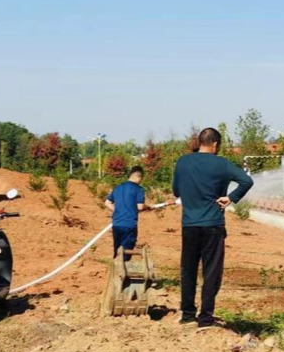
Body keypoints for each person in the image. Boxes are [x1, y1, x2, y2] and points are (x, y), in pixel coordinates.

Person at [172, 127, 253, 330]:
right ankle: (205, 319)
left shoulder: (183, 162)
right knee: (211, 272)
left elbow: (176, 190)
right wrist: (231, 198)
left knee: (188, 270)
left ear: (200, 142)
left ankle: (188, 315)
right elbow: (246, 181)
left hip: (189, 225)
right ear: (215, 144)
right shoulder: (222, 164)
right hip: (213, 226)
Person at [105, 166, 152, 259]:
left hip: (117, 225)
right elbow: (140, 206)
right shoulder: (138, 189)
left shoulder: (118, 187)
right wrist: (149, 207)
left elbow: (107, 203)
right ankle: (122, 272)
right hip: (129, 225)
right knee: (126, 253)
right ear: (139, 176)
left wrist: (119, 210)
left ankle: (116, 270)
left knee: (117, 250)